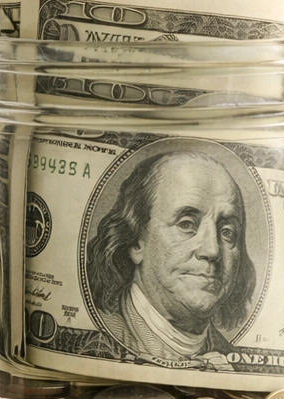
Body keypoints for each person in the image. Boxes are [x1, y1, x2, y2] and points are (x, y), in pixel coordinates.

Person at [86, 149, 256, 370]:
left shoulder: (237, 364)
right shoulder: (96, 341)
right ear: (136, 241)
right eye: (186, 224)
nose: (212, 250)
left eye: (227, 232)